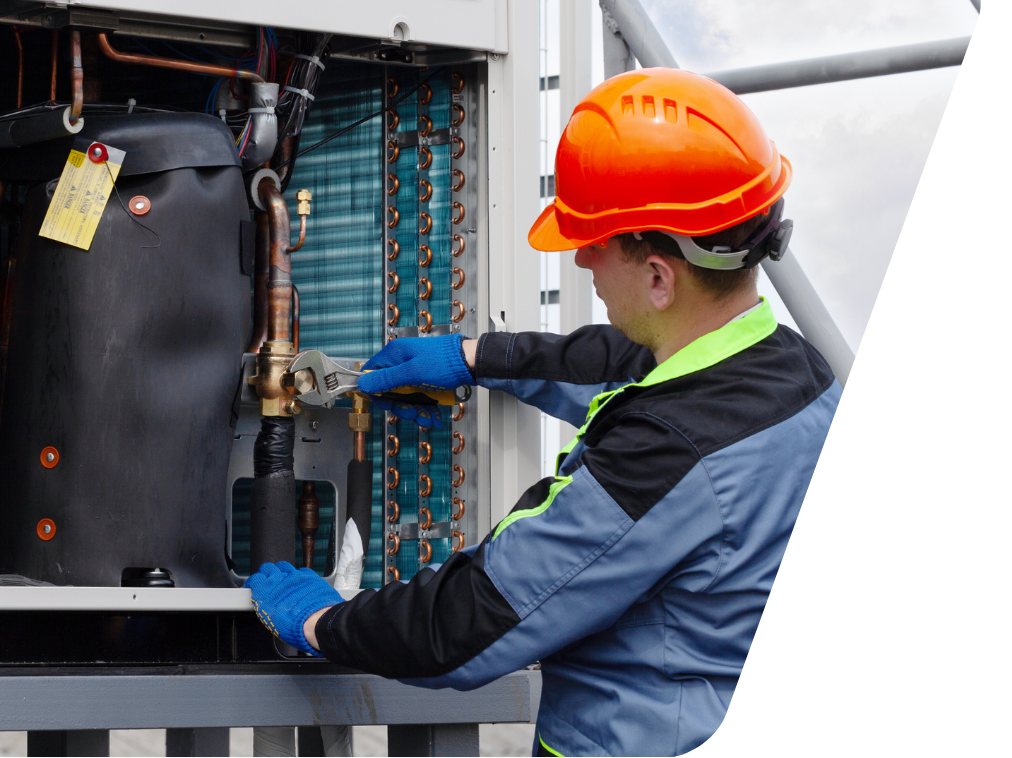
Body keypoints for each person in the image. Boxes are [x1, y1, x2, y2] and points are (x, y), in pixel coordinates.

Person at [246, 68, 840, 757]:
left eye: (597, 240)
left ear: (657, 277)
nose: (581, 256)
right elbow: (618, 364)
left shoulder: (667, 455)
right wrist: (476, 356)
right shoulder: (795, 371)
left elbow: (473, 621)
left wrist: (323, 620)